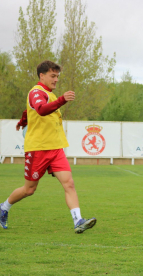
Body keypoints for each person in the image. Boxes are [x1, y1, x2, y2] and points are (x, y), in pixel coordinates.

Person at [0, 60, 96, 234]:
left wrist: (22, 121)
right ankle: (4, 207)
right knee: (29, 189)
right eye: (53, 76)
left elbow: (29, 111)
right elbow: (42, 110)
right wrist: (62, 100)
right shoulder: (36, 92)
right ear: (41, 75)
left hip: (55, 148)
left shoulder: (48, 94)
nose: (56, 79)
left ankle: (78, 221)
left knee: (69, 183)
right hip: (38, 149)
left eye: (57, 76)